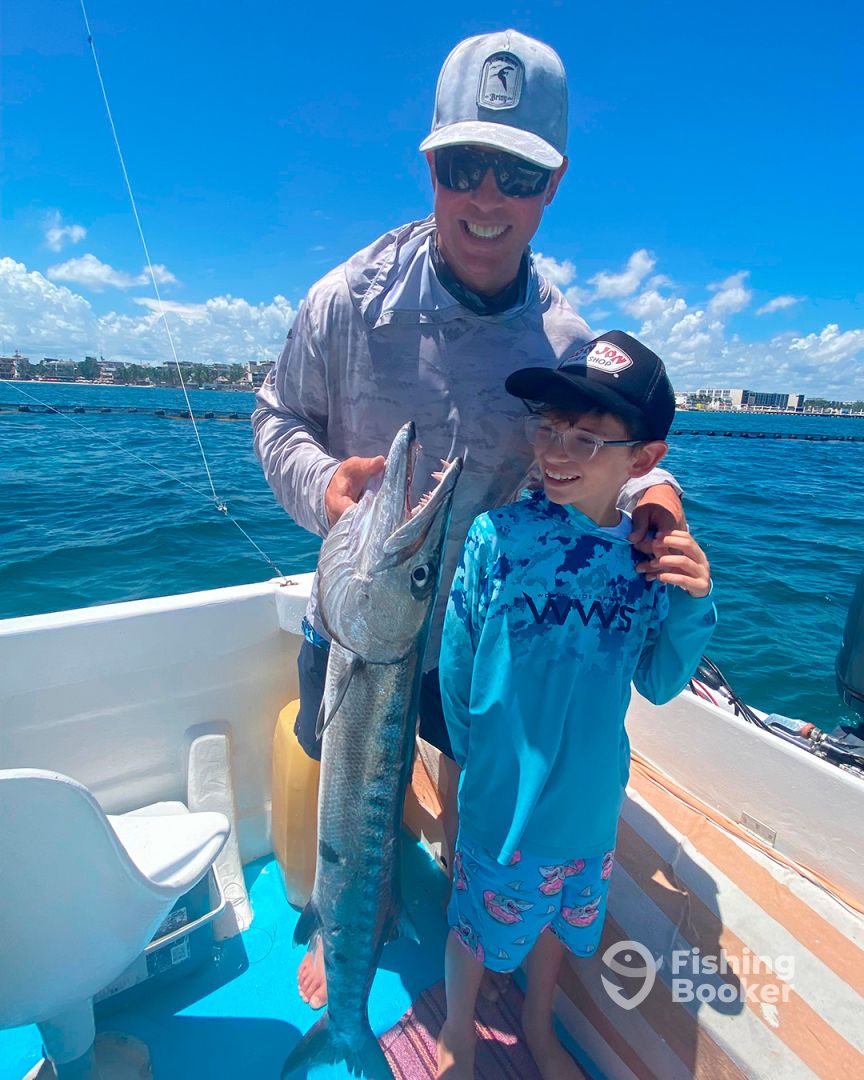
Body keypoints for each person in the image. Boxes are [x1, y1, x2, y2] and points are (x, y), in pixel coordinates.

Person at [252, 30, 686, 1010]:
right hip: (360, 615)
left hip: (486, 628)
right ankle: (351, 910)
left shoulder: (564, 340)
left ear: (553, 184)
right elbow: (276, 418)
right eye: (464, 166)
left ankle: (462, 908)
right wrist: (324, 487)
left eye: (517, 174)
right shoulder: (348, 300)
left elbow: (619, 452)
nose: (487, 196)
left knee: (471, 778)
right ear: (430, 166)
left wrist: (661, 500)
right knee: (344, 774)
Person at [435, 330, 717, 1079]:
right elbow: (458, 671)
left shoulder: (645, 562)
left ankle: (538, 1022)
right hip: (501, 805)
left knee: (560, 927)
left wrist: (694, 602)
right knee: (471, 926)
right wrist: (477, 769)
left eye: (586, 439)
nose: (556, 452)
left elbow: (660, 681)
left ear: (643, 460)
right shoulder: (497, 537)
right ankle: (458, 1031)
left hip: (590, 812)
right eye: (549, 428)